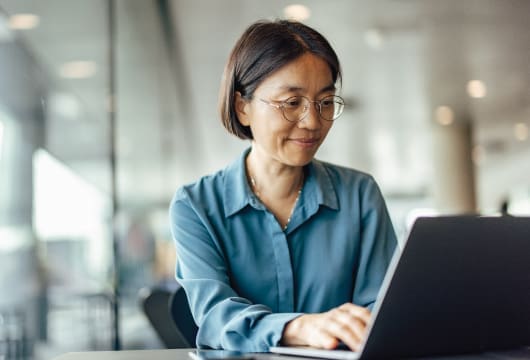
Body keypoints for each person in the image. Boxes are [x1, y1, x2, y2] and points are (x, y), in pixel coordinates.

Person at [169, 19, 397, 352]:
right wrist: (299, 327)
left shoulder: (359, 195)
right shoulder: (196, 205)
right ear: (242, 107)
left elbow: (381, 308)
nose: (312, 122)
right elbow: (216, 316)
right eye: (292, 103)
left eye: (325, 102)